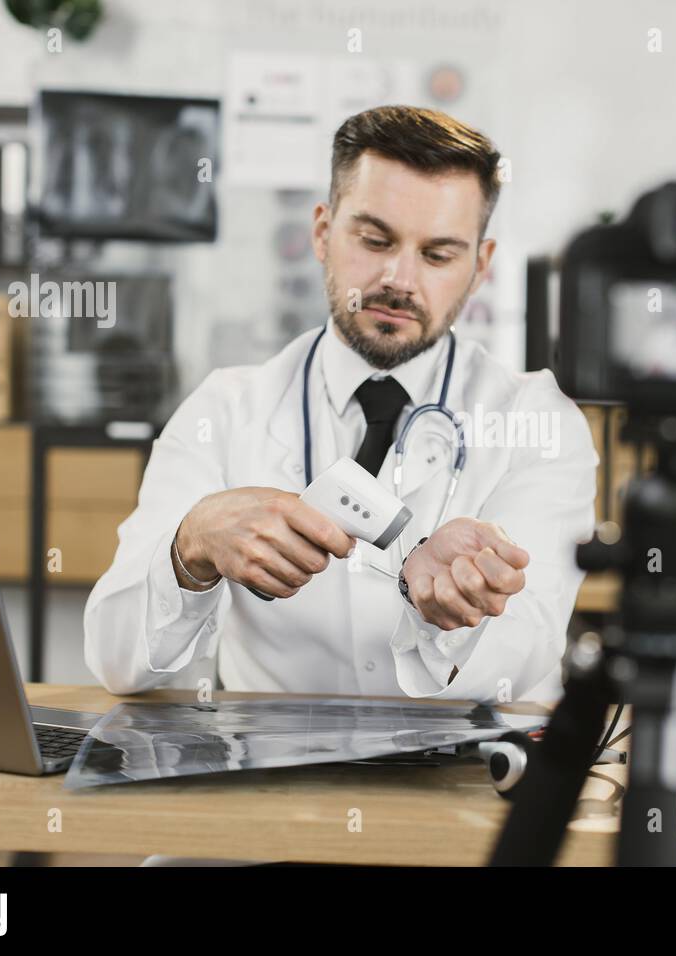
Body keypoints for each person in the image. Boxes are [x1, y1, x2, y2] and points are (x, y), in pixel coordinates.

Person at [84, 106, 598, 704]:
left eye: (437, 255)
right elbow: (117, 662)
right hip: (278, 780)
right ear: (324, 231)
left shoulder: (539, 421)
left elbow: (526, 653)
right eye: (374, 239)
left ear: (480, 266)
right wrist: (190, 547)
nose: (399, 279)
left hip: (471, 779)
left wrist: (446, 609)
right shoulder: (223, 411)